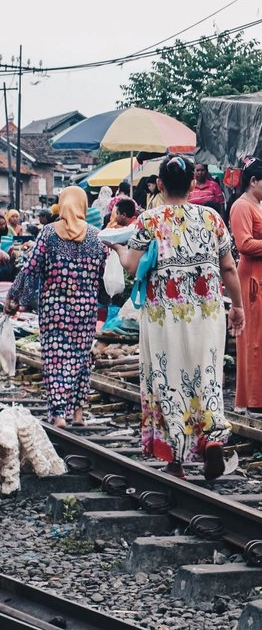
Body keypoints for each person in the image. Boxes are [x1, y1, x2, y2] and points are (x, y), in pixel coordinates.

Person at [108, 156, 244, 480]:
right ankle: (211, 440)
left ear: (161, 185)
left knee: (168, 377)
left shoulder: (149, 221)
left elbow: (131, 266)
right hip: (207, 312)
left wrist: (116, 250)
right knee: (207, 374)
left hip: (163, 314)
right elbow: (228, 267)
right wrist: (237, 306)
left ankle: (176, 459)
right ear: (194, 184)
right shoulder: (213, 218)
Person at [5, 186, 106, 427]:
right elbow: (102, 273)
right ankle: (79, 413)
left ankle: (59, 414)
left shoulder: (49, 233)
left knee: (55, 359)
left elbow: (30, 269)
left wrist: (15, 297)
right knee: (81, 359)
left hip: (54, 309)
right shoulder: (95, 236)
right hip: (85, 310)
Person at [228, 158, 262, 414]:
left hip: (258, 277)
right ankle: (253, 400)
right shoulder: (242, 206)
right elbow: (243, 244)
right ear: (253, 181)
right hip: (251, 279)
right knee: (252, 339)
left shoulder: (256, 205)